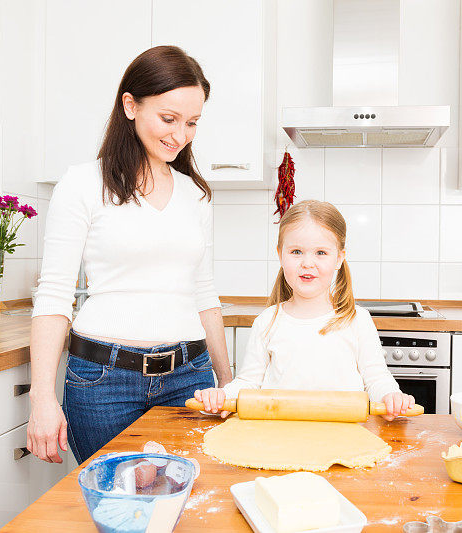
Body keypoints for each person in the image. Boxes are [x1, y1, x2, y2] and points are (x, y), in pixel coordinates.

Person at [27, 46, 232, 464]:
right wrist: (42, 399)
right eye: (169, 119)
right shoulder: (83, 184)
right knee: (118, 512)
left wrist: (230, 385)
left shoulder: (195, 194)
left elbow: (204, 294)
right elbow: (53, 296)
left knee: (187, 508)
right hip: (103, 383)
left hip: (190, 378)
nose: (181, 136)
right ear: (130, 105)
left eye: (192, 123)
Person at [195, 200, 415, 420]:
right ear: (281, 254)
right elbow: (249, 383)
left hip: (343, 441)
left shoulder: (357, 320)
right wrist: (222, 395)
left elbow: (376, 379)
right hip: (281, 439)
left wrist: (390, 395)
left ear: (339, 258)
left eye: (321, 252)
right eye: (297, 251)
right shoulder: (268, 321)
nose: (307, 263)